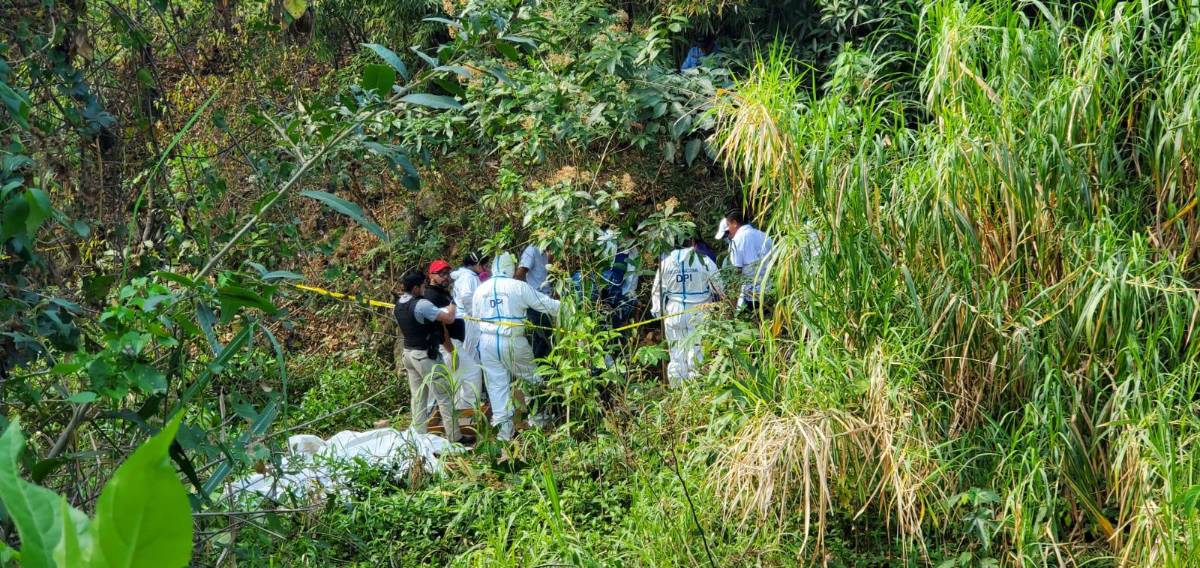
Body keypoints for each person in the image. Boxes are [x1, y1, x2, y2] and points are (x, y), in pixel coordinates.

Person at [471, 252, 561, 441]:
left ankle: (504, 434)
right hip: (512, 340)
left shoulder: (480, 289)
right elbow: (548, 305)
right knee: (532, 379)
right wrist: (571, 305)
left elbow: (475, 316)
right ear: (510, 268)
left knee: (497, 387)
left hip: (486, 342)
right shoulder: (518, 287)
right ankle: (540, 422)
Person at [394, 270, 467, 444]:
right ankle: (455, 437)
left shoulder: (398, 304)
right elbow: (449, 318)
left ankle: (419, 436)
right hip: (425, 356)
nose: (424, 289)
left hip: (408, 354)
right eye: (422, 286)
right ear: (416, 288)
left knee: (418, 397)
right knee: (444, 396)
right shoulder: (421, 305)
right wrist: (453, 303)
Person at [652, 237, 724, 386]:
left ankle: (677, 392)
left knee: (676, 355)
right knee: (697, 354)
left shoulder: (665, 263)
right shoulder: (704, 261)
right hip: (700, 312)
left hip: (674, 314)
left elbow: (657, 292)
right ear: (692, 242)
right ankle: (697, 393)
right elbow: (719, 287)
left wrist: (659, 312)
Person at [424, 259, 483, 429]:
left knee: (458, 380)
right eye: (441, 274)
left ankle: (461, 416)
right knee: (472, 373)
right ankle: (467, 415)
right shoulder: (431, 296)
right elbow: (441, 325)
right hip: (447, 345)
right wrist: (451, 351)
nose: (445, 277)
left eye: (447, 273)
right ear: (431, 276)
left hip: (453, 343)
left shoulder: (442, 293)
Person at [449, 253, 488, 413]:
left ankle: (465, 400)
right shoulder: (468, 278)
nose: (485, 267)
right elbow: (466, 296)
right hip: (468, 321)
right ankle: (467, 403)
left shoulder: (466, 276)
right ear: (476, 263)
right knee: (471, 358)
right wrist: (475, 313)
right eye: (484, 264)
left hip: (466, 320)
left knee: (469, 358)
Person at [714, 209, 774, 314]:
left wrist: (732, 306)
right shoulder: (764, 235)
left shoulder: (737, 240)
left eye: (729, 225)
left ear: (735, 223)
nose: (729, 234)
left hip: (752, 297)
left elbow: (736, 275)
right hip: (770, 292)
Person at [515, 244, 553, 358]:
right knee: (545, 337)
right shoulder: (532, 250)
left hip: (546, 299)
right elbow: (520, 273)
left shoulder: (550, 250)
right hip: (535, 300)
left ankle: (539, 369)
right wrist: (527, 294)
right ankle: (538, 368)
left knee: (541, 337)